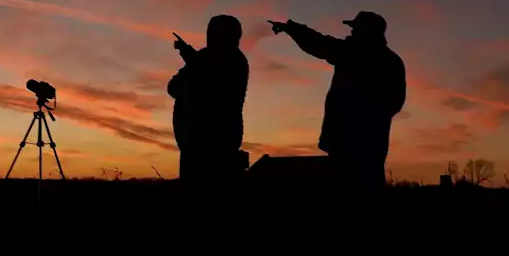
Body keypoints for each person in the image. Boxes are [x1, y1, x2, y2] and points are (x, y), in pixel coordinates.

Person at [270, 11, 406, 189]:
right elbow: (396, 101)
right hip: (370, 141)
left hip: (349, 140)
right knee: (367, 191)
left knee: (349, 193)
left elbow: (320, 44)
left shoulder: (353, 53)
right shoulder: (392, 61)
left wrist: (294, 30)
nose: (351, 33)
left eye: (355, 30)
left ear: (367, 32)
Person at [168, 15, 250, 188]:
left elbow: (213, 79)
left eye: (217, 32)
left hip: (219, 142)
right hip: (191, 142)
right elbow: (173, 87)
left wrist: (189, 55)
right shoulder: (203, 57)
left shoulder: (234, 60)